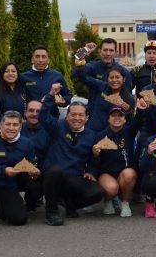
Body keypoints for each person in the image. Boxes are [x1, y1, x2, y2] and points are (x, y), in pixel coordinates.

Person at [38, 92, 104, 226]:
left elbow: (93, 160)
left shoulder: (92, 135)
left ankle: (69, 204)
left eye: (81, 115)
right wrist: (51, 96)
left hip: (73, 177)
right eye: (73, 114)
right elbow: (43, 117)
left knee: (97, 192)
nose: (77, 118)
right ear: (67, 116)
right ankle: (51, 213)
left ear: (87, 118)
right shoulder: (57, 127)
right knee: (55, 171)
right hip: (53, 176)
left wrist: (92, 169)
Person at [88, 106, 138, 218]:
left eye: (120, 116)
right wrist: (95, 155)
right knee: (111, 189)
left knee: (129, 174)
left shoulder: (129, 131)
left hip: (124, 172)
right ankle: (108, 200)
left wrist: (141, 109)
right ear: (108, 119)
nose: (117, 118)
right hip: (106, 173)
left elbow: (138, 120)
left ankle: (125, 203)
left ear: (125, 119)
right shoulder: (100, 135)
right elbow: (94, 162)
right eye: (113, 116)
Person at [78, 38, 134, 115]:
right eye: (105, 50)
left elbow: (128, 97)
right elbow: (78, 72)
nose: (108, 53)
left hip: (116, 117)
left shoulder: (124, 72)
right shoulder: (93, 67)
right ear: (100, 51)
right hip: (95, 116)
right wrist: (83, 51)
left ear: (116, 53)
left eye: (111, 50)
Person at [73, 65, 134, 131]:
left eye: (117, 77)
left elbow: (129, 123)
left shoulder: (129, 98)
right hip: (93, 131)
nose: (114, 80)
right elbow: (84, 78)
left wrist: (128, 111)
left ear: (124, 79)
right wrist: (80, 68)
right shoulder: (102, 86)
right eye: (111, 77)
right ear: (107, 79)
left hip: (113, 136)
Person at [20, 46, 72, 116]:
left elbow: (68, 94)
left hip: (52, 119)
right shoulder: (23, 77)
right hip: (32, 119)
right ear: (32, 59)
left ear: (48, 60)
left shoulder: (57, 76)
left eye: (44, 57)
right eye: (37, 57)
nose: (40, 60)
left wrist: (63, 101)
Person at [20, 100, 49, 212]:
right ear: (25, 113)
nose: (35, 114)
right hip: (19, 171)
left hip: (41, 171)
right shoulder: (17, 128)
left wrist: (39, 171)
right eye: (31, 110)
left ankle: (35, 201)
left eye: (38, 111)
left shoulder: (48, 131)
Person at [0, 62, 27, 128]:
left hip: (20, 131)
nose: (10, 74)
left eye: (13, 71)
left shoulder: (22, 89)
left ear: (18, 74)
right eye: (6, 71)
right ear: (2, 74)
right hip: (2, 131)